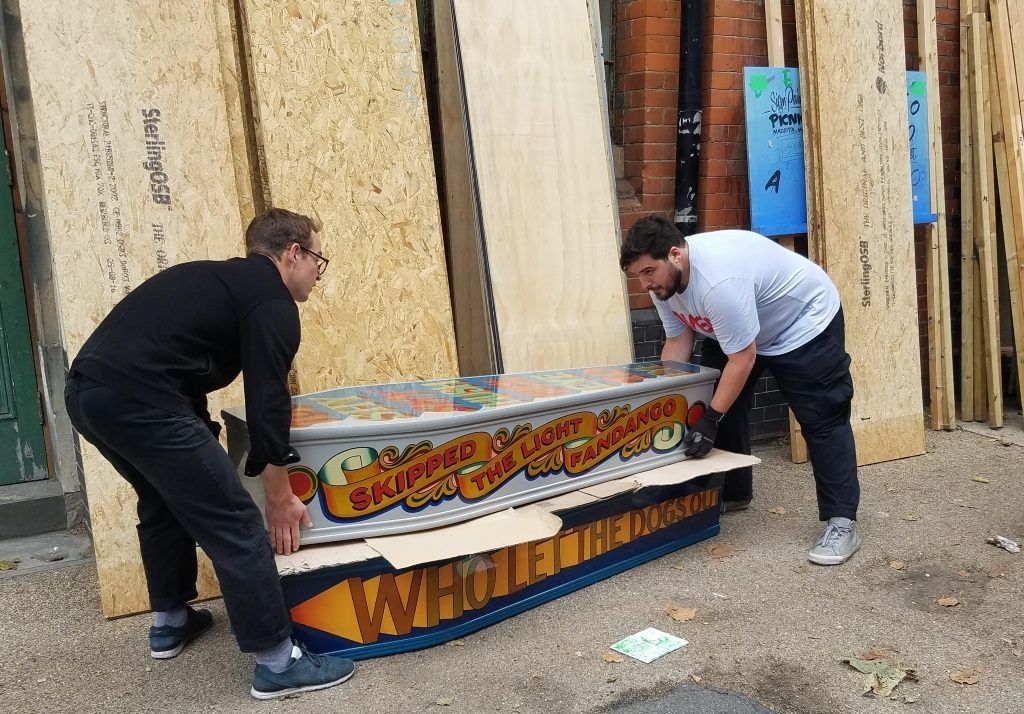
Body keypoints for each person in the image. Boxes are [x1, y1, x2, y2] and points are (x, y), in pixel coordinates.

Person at [64, 208, 356, 699]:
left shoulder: (219, 282)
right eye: (317, 262)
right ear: (293, 254)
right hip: (142, 399)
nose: (316, 276)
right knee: (237, 523)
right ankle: (278, 663)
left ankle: (171, 620)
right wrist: (279, 496)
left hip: (88, 395)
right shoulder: (272, 301)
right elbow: (268, 402)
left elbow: (178, 365)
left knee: (161, 500)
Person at [619, 215, 861, 565]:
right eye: (638, 275)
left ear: (675, 255)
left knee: (822, 418)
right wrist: (669, 403)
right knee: (716, 401)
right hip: (739, 330)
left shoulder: (719, 282)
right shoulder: (664, 284)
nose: (644, 284)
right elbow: (677, 340)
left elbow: (743, 358)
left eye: (648, 272)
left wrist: (710, 419)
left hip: (802, 323)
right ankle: (732, 493)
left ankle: (842, 521)